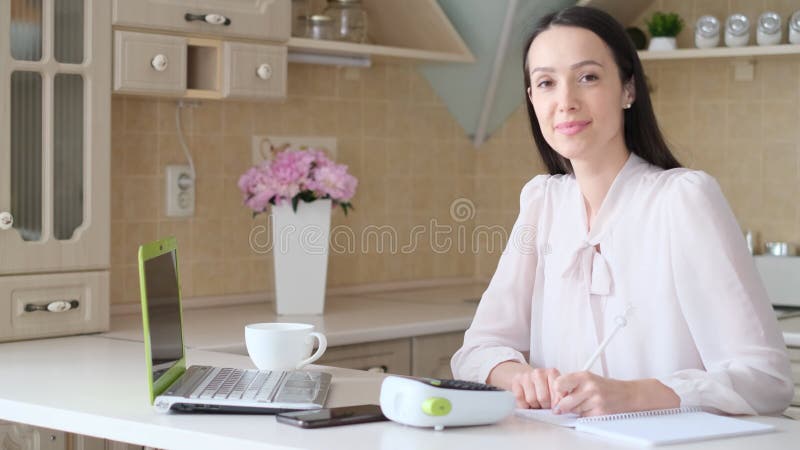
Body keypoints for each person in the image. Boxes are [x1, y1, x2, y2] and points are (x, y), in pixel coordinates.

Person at [451, 6, 793, 417]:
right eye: (545, 83)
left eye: (588, 77)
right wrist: (518, 376)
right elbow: (476, 351)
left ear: (628, 88)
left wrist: (632, 395)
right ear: (531, 99)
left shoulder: (682, 199)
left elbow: (767, 379)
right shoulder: (542, 201)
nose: (565, 102)